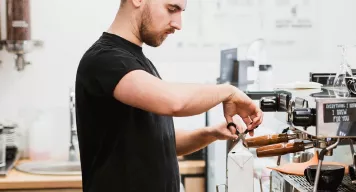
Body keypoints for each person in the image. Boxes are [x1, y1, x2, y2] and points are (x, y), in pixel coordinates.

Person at [74, 0, 264, 191]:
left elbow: (158, 142)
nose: (178, 24)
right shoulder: (104, 60)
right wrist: (228, 92)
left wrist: (211, 133)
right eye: (171, 9)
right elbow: (175, 102)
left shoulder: (139, 63)